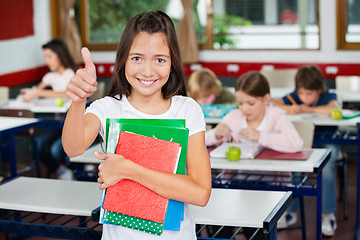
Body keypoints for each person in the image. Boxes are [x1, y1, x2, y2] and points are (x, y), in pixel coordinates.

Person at [62, 10, 211, 239]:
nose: (148, 71)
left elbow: (200, 193)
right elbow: (72, 147)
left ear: (172, 63)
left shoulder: (187, 110)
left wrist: (128, 170)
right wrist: (78, 100)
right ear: (123, 59)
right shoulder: (108, 108)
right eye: (137, 58)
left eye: (160, 60)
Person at [205, 71, 303, 239]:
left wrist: (260, 136)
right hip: (236, 184)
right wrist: (217, 133)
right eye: (240, 103)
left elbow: (296, 143)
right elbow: (203, 140)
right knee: (218, 216)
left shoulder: (276, 116)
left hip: (271, 187)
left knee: (256, 223)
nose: (244, 109)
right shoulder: (235, 117)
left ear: (266, 99)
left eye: (250, 103)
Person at [272, 65, 340, 237]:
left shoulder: (329, 95)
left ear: (319, 90)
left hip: (327, 142)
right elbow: (275, 104)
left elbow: (333, 109)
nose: (304, 97)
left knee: (327, 168)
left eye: (309, 94)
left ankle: (327, 214)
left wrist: (306, 109)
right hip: (303, 144)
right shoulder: (294, 97)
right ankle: (291, 211)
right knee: (294, 168)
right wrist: (290, 108)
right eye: (301, 93)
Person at [21, 39, 78, 180]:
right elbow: (36, 90)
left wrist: (38, 93)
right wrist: (29, 94)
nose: (47, 61)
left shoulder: (70, 74)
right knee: (36, 145)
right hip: (55, 122)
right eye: (45, 57)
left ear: (59, 55)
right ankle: (61, 171)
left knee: (56, 150)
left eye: (49, 56)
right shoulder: (49, 76)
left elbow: (66, 93)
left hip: (70, 124)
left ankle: (79, 171)